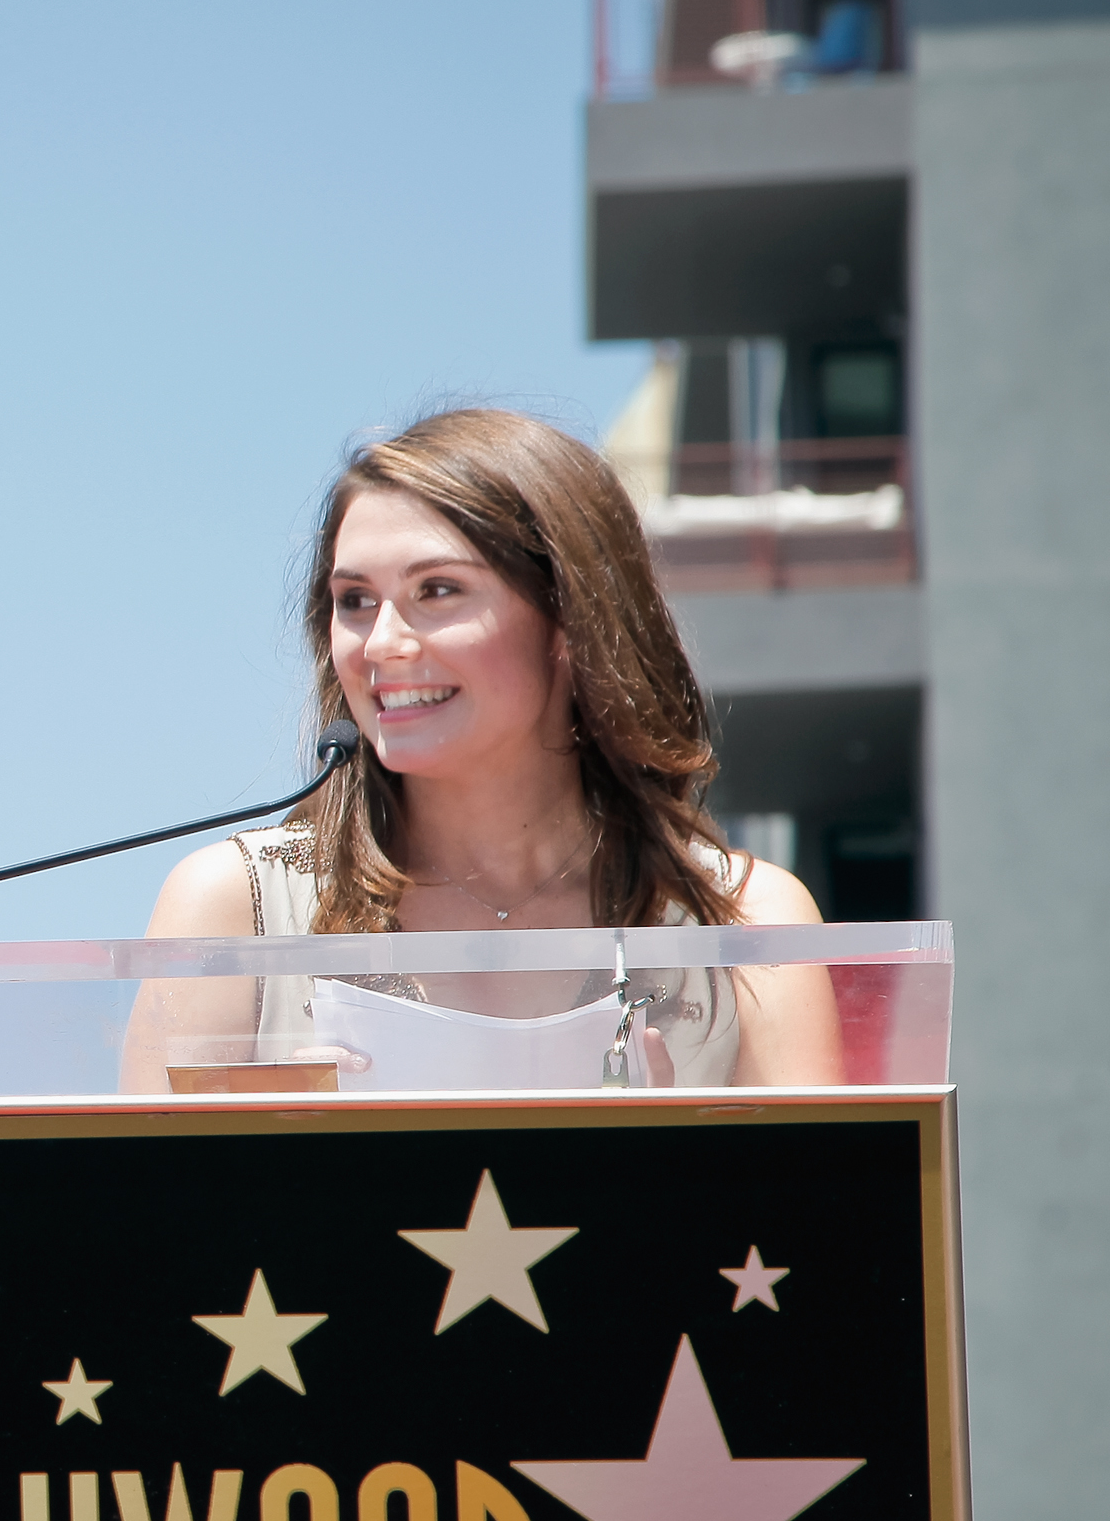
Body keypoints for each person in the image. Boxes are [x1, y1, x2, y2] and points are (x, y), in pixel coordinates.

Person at [129, 407, 840, 1089]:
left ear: (570, 620)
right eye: (355, 600)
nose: (381, 645)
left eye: (437, 591)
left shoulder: (750, 922)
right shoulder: (234, 908)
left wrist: (654, 1162)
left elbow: (828, 1213)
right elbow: (131, 1210)